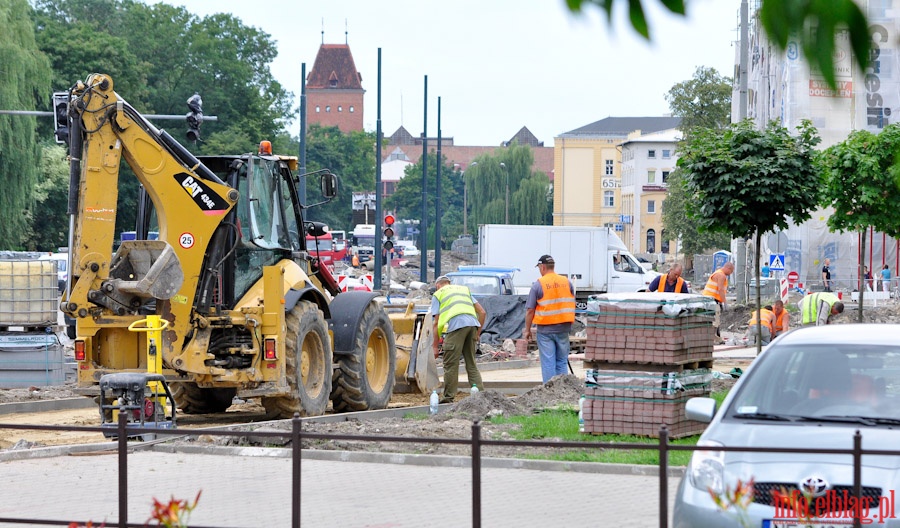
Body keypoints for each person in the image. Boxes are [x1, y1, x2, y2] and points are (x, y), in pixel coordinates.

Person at [431, 275, 486, 403]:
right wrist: (477, 333)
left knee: (450, 364)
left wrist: (435, 346)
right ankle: (481, 396)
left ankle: (448, 397)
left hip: (456, 328)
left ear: (437, 285)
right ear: (449, 283)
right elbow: (482, 312)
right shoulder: (463, 289)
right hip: (472, 326)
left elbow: (436, 322)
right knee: (471, 364)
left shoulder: (438, 294)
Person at [524, 254, 576, 384]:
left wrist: (527, 330)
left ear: (542, 267)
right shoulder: (567, 282)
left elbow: (530, 310)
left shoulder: (538, 285)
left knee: (548, 362)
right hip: (563, 328)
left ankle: (549, 392)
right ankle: (563, 391)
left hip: (546, 330)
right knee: (562, 361)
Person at [702, 261, 735, 345]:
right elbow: (720, 289)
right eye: (731, 271)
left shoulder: (717, 273)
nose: (730, 274)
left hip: (708, 300)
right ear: (728, 268)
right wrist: (725, 302)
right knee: (715, 320)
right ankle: (714, 338)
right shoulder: (721, 275)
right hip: (713, 300)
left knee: (715, 320)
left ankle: (717, 337)